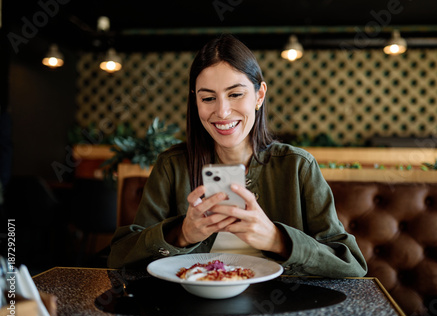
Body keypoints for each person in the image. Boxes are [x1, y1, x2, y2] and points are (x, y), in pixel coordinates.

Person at [108, 35, 367, 278]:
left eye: (235, 94)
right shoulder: (172, 166)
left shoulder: (298, 166)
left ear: (259, 95)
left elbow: (351, 264)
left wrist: (277, 240)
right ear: (195, 102)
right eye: (208, 98)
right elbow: (120, 256)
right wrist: (181, 235)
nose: (222, 111)